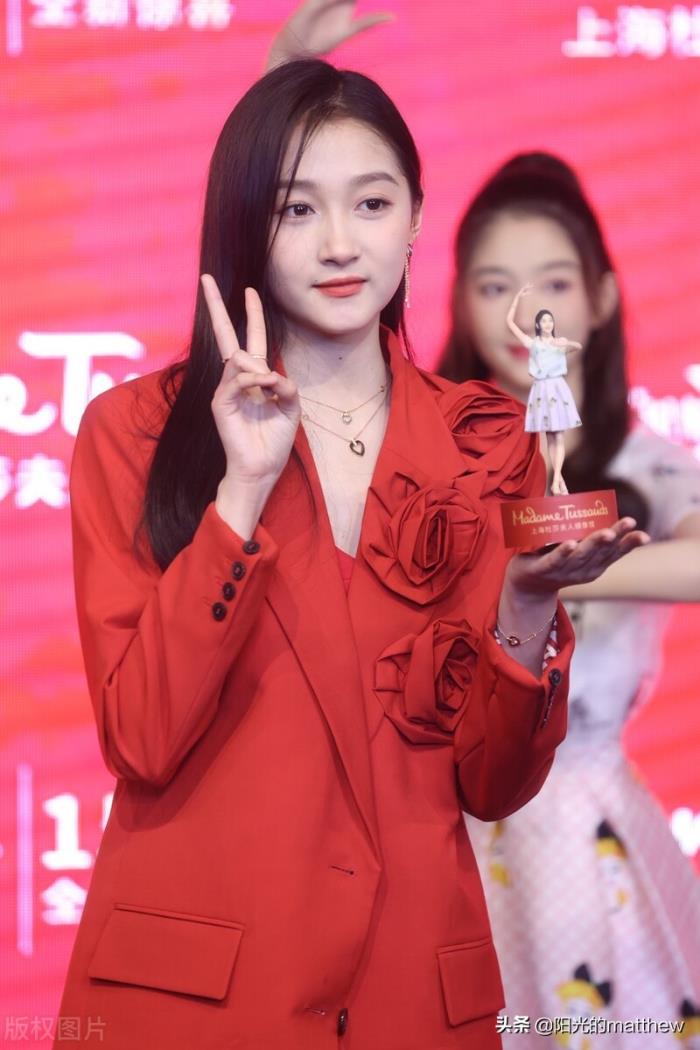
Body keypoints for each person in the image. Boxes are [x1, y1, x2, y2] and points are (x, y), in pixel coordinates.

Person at [54, 59, 646, 1050]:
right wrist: (240, 494)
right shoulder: (137, 434)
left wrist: (525, 607)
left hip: (408, 992)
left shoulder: (487, 444)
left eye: (371, 203)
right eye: (296, 209)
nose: (340, 243)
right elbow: (142, 737)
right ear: (245, 224)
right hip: (197, 997)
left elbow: (494, 786)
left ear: (415, 217)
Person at [439, 150, 700, 1047]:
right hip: (450, 829)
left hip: (590, 833)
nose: (529, 308)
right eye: (495, 286)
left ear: (602, 296)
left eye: (555, 281)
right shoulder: (431, 463)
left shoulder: (648, 468)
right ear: (461, 304)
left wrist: (551, 566)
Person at [505, 286, 582, 494]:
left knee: (558, 435)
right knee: (549, 437)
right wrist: (517, 298)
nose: (547, 324)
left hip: (556, 387)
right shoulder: (534, 344)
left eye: (550, 320)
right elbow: (511, 323)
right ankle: (558, 479)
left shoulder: (558, 342)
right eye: (544, 321)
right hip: (541, 389)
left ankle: (556, 478)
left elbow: (577, 346)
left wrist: (564, 345)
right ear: (538, 325)